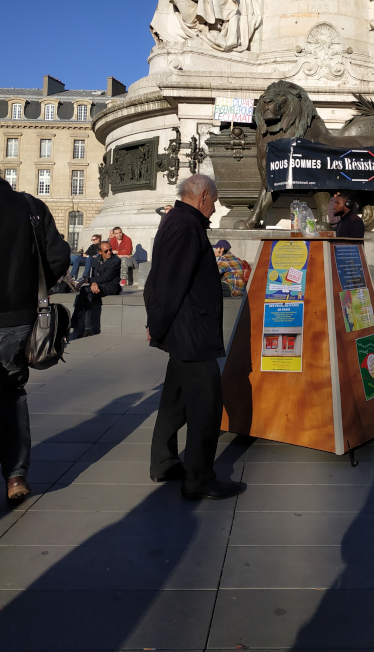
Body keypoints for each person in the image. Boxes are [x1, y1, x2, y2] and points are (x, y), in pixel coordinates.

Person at [146, 174, 245, 501]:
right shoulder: (186, 226)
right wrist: (156, 324)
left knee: (175, 400)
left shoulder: (176, 221)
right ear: (203, 195)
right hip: (192, 332)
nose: (214, 208)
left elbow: (159, 277)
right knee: (206, 404)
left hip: (183, 331)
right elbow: (168, 282)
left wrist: (159, 324)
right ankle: (199, 478)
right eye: (214, 201)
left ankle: (164, 462)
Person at [0, 155, 70, 501]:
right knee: (11, 395)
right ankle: (15, 476)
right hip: (18, 319)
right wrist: (31, 291)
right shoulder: (29, 206)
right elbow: (57, 258)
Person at [70, 241, 121, 338]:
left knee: (86, 290)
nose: (110, 252)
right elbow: (95, 275)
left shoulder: (116, 261)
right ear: (100, 252)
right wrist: (93, 283)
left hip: (110, 286)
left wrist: (87, 280)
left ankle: (75, 318)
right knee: (87, 293)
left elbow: (105, 278)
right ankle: (88, 329)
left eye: (110, 249)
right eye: (106, 251)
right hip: (98, 285)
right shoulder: (97, 260)